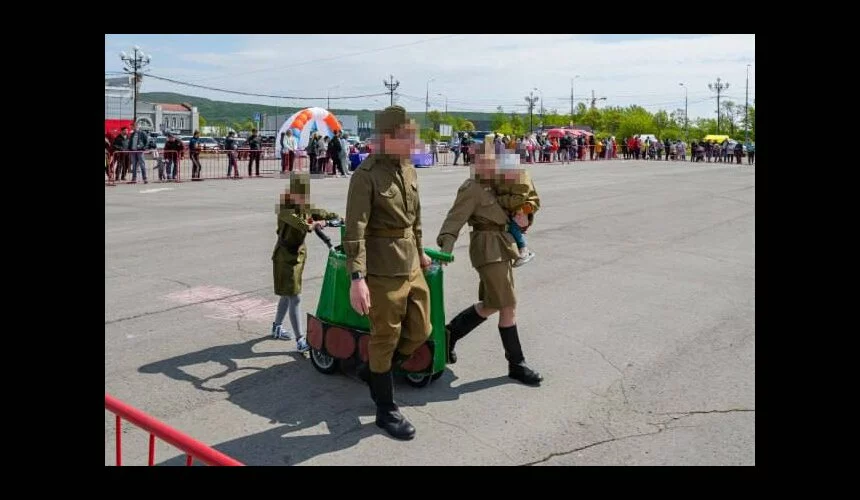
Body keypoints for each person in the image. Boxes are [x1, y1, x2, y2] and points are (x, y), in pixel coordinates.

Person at [344, 105, 433, 441]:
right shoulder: (365, 175)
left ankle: (374, 371)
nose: (415, 142)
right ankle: (385, 409)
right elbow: (355, 230)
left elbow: (417, 217)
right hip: (381, 270)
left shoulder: (409, 169)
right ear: (388, 138)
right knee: (385, 337)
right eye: (408, 136)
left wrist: (421, 251)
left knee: (421, 329)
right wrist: (357, 278)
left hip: (411, 264)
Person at [435, 140, 543, 387]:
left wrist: (526, 214)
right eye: (484, 160)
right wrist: (445, 250)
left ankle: (450, 333)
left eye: (493, 160)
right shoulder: (472, 188)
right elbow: (454, 219)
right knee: (507, 304)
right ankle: (516, 364)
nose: (489, 165)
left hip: (504, 246)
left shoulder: (499, 186)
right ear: (476, 162)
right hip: (486, 248)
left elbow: (521, 209)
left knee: (494, 304)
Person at [271, 173, 341, 351]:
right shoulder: (284, 208)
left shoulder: (303, 204)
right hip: (285, 256)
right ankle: (300, 339)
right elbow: (303, 224)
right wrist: (318, 223)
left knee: (288, 293)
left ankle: (277, 327)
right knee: (294, 297)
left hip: (298, 254)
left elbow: (318, 213)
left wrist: (338, 218)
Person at [492, 142, 538, 267]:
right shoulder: (503, 174)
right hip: (512, 209)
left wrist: (497, 200)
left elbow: (517, 200)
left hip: (522, 210)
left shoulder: (520, 175)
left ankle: (524, 250)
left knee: (513, 227)